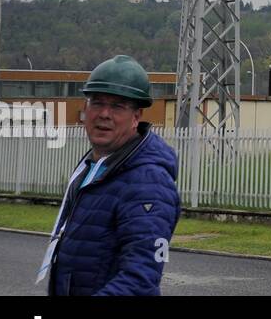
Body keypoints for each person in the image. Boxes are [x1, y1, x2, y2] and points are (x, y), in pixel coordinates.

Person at [38, 55, 180, 296]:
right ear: (85, 109)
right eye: (97, 102)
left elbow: (140, 280)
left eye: (117, 106)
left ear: (136, 117)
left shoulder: (148, 182)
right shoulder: (95, 165)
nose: (104, 114)